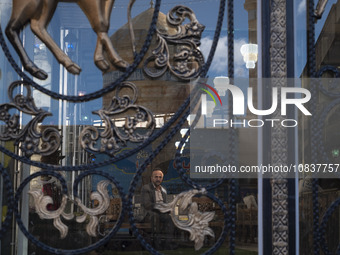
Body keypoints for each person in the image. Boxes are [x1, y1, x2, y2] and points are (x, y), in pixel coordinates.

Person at [141, 168, 177, 249]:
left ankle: (168, 244)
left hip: (162, 213)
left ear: (162, 178)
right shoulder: (146, 188)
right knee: (155, 216)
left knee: (171, 218)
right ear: (152, 178)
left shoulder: (163, 190)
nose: (158, 179)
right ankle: (157, 244)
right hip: (150, 213)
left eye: (160, 177)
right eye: (156, 177)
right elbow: (147, 204)